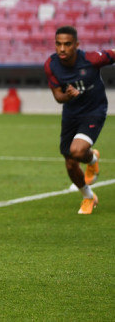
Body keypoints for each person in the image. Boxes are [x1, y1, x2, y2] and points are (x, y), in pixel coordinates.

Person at [44, 25, 111, 214]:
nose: (62, 49)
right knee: (71, 162)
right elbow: (58, 97)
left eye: (67, 44)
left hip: (94, 110)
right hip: (71, 113)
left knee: (77, 150)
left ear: (77, 45)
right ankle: (88, 196)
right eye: (58, 44)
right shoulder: (51, 65)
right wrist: (68, 96)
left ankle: (91, 159)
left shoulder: (91, 59)